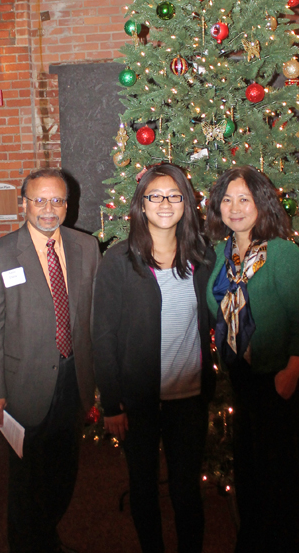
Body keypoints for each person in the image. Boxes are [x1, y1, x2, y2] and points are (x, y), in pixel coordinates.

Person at [0, 168, 100, 553]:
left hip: (73, 380)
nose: (49, 209)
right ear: (23, 204)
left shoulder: (86, 247)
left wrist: (98, 383)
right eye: (39, 200)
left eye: (57, 200)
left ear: (68, 204)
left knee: (64, 474)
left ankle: (45, 536)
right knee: (25, 481)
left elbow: (92, 318)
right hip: (21, 386)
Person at [92, 163, 215, 553]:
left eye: (175, 195)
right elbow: (103, 336)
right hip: (138, 403)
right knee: (143, 487)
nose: (165, 203)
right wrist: (111, 404)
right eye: (155, 196)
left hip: (190, 400)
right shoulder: (118, 261)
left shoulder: (203, 258)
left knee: (186, 489)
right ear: (141, 205)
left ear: (187, 203)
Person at [206, 165, 299, 553]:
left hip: (277, 380)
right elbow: (217, 308)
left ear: (261, 204)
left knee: (279, 480)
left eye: (244, 199)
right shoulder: (223, 254)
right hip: (242, 380)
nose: (234, 208)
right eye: (227, 199)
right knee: (250, 474)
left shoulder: (282, 253)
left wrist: (292, 372)